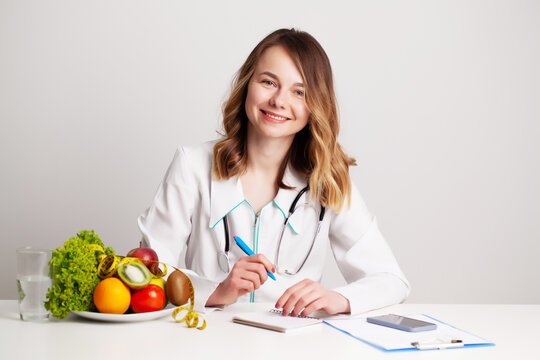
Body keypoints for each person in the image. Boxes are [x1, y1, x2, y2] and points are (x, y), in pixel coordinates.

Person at [138, 28, 410, 317]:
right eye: (269, 82)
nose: (279, 101)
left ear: (315, 106)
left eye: (299, 92)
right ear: (247, 85)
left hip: (292, 344)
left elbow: (392, 281)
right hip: (209, 340)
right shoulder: (192, 165)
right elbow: (148, 272)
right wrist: (216, 291)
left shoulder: (328, 179)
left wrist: (336, 298)